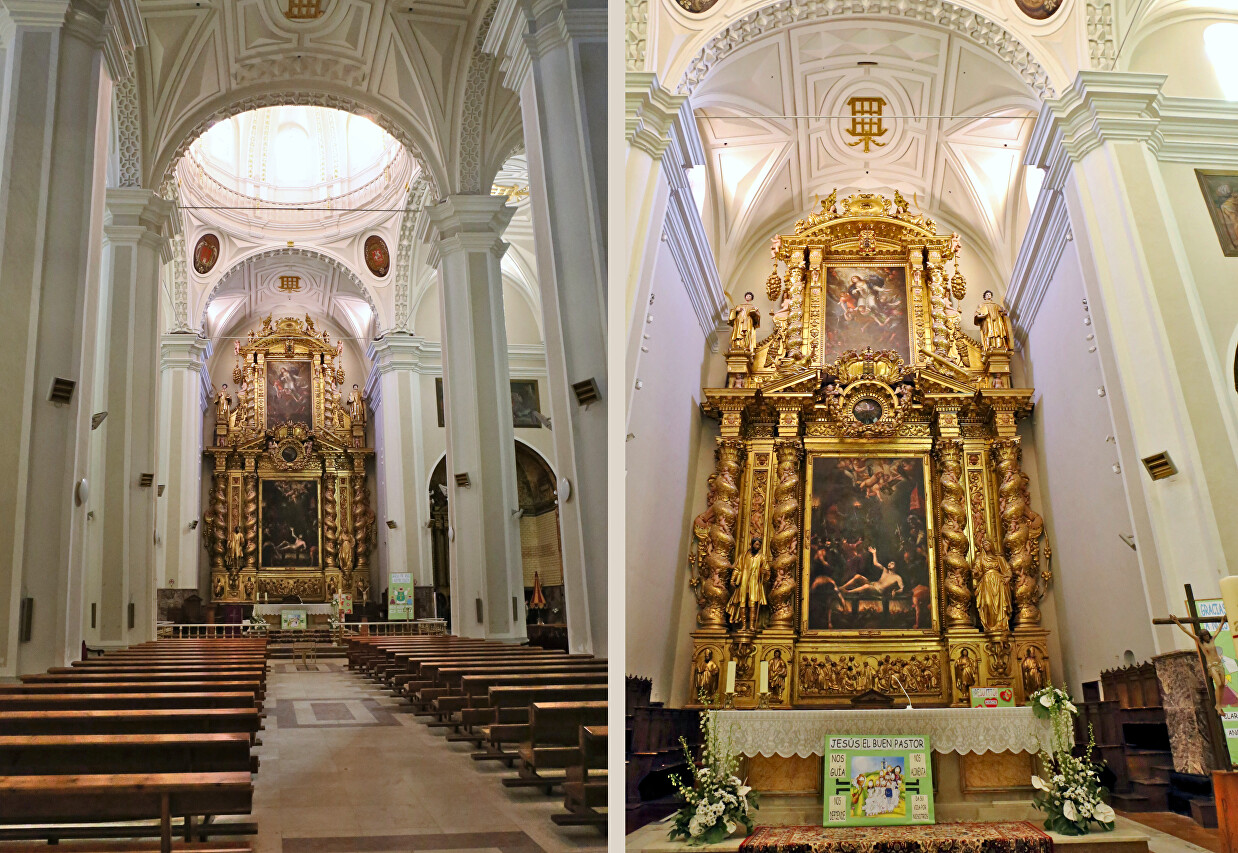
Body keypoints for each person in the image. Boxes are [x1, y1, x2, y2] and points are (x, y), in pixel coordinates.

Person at [727, 536, 769, 632]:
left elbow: (767, 570)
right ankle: (744, 626)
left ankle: (752, 626)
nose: (758, 547)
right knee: (742, 603)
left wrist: (764, 574)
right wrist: (732, 580)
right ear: (752, 544)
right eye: (756, 544)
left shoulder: (761, 557)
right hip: (743, 582)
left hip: (754, 583)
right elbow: (737, 568)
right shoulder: (743, 556)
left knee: (752, 603)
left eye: (759, 545)